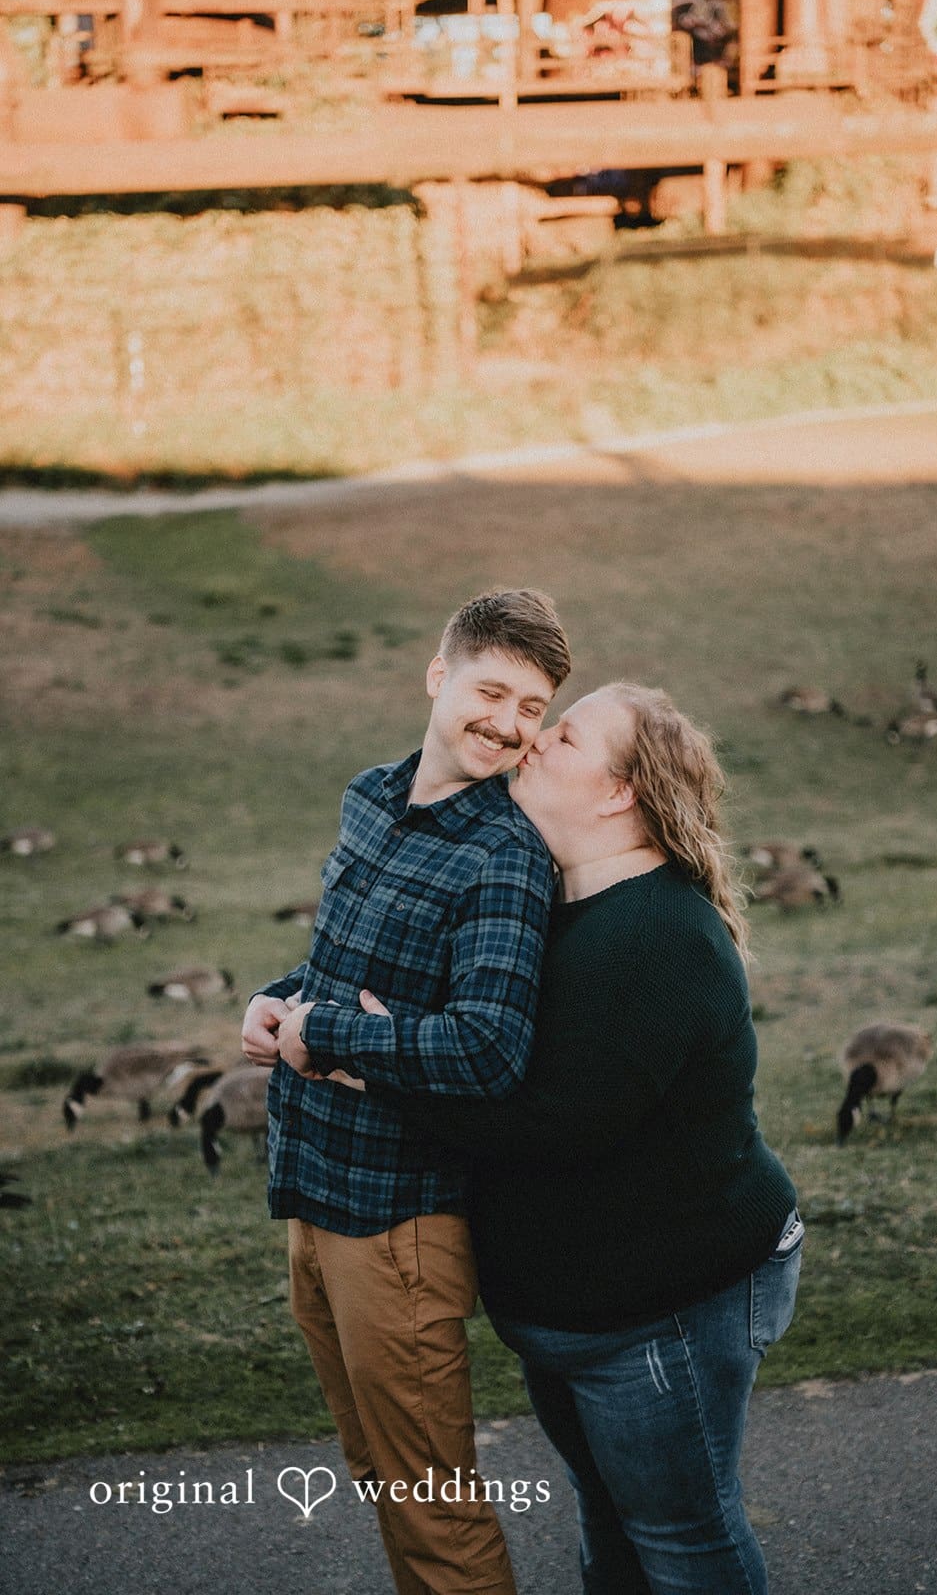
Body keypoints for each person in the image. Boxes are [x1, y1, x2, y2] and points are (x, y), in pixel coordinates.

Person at [353, 681, 801, 1595]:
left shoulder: (657, 935)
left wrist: (374, 1063)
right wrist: (295, 1003)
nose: (532, 739)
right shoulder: (547, 904)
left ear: (616, 793)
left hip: (664, 1307)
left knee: (683, 1540)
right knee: (613, 1524)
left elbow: (552, 1124)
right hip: (574, 1313)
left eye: (563, 735)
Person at [241, 589, 571, 1595]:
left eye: (532, 708)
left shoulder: (504, 856)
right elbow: (335, 967)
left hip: (397, 1229)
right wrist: (280, 999)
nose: (509, 724)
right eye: (491, 691)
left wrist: (331, 1032)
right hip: (310, 1190)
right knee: (381, 1478)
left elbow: (486, 1049)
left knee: (432, 1505)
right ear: (438, 676)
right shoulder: (369, 795)